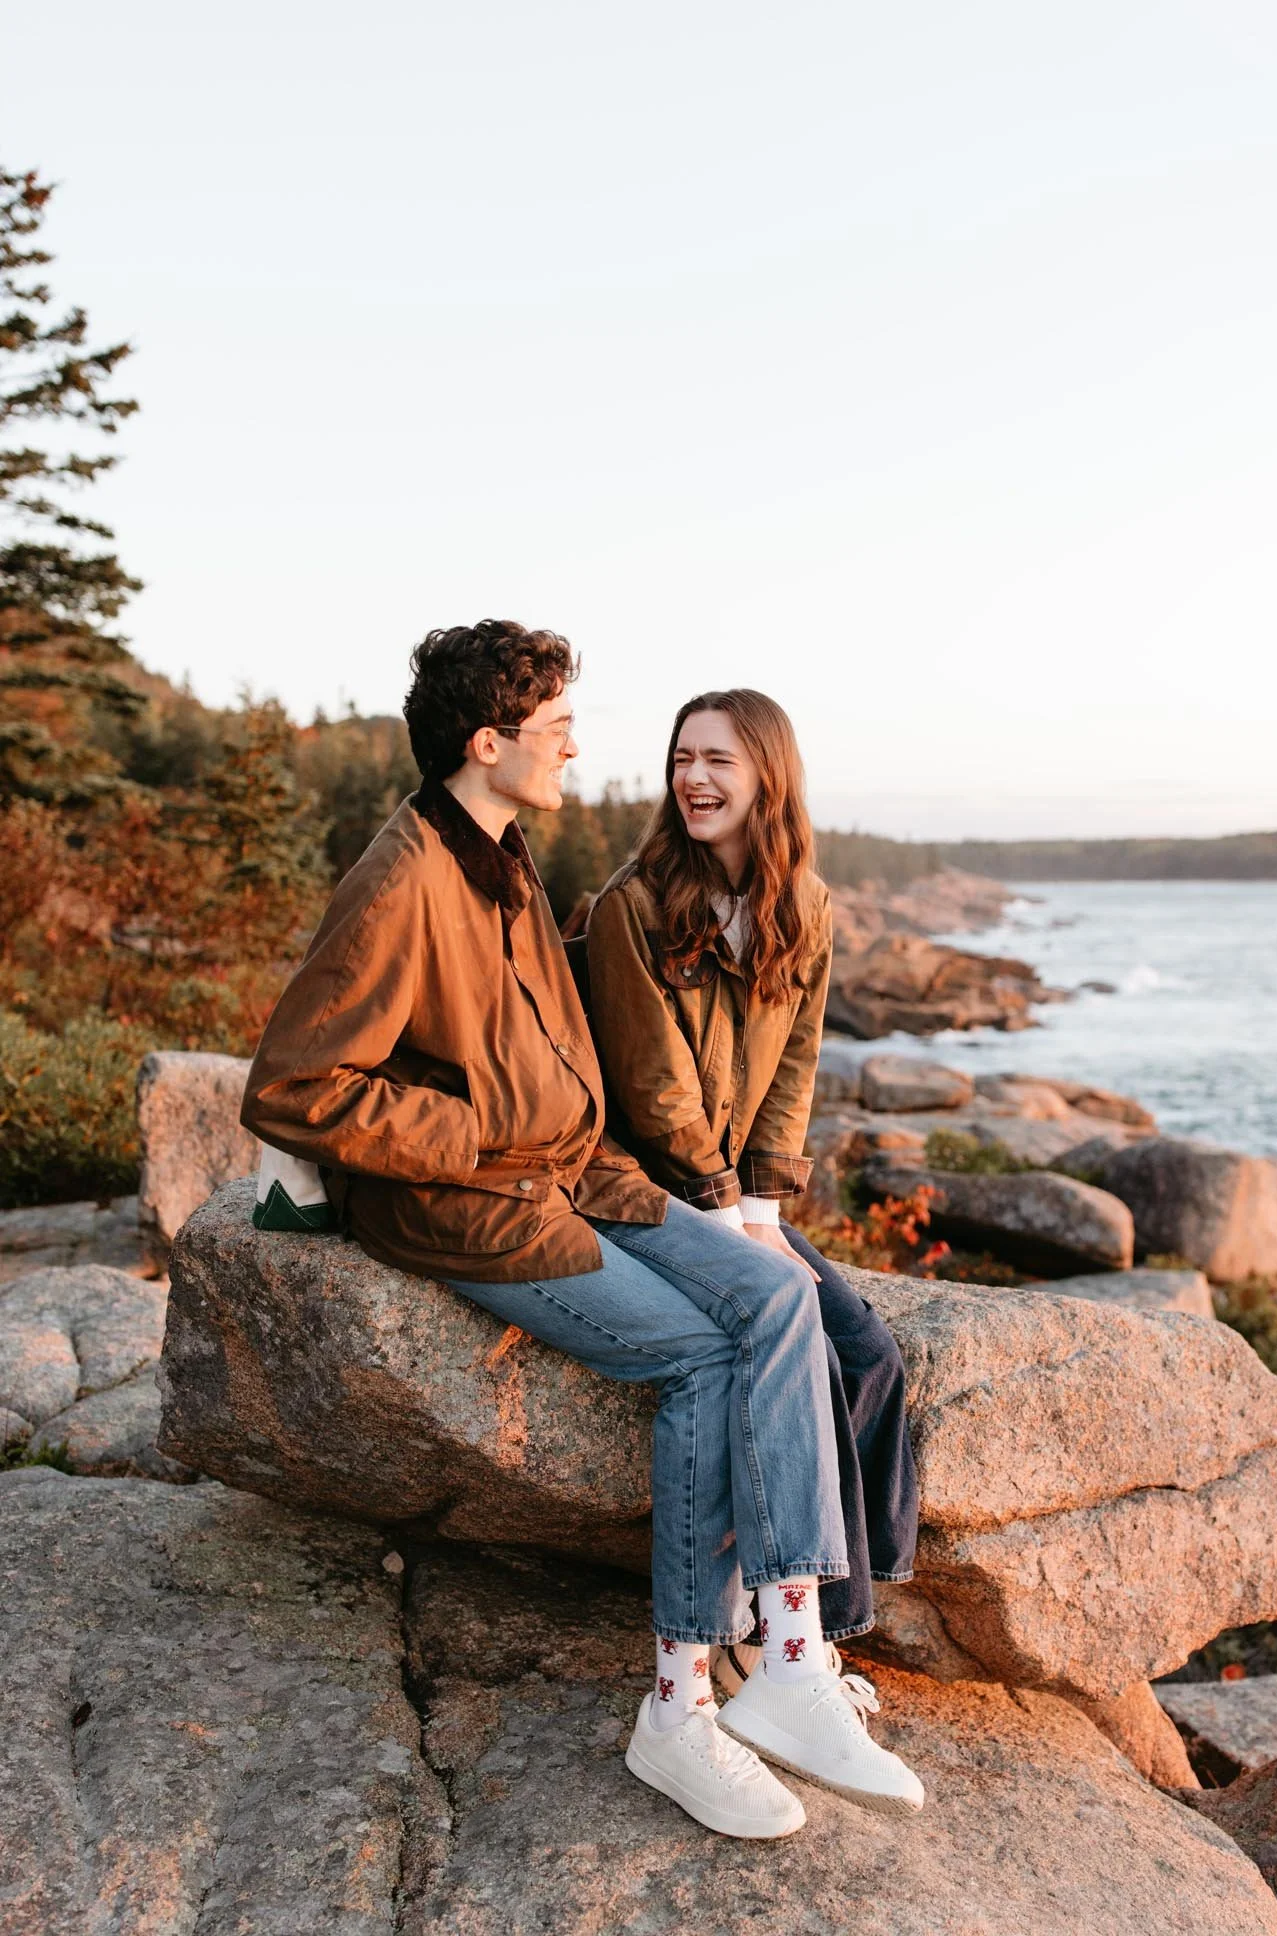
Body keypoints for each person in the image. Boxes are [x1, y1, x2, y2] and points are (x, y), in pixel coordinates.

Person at [240, 622, 923, 1841]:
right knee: (704, 1355)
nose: (572, 745)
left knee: (781, 1296)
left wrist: (718, 1190)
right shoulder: (402, 877)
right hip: (480, 1206)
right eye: (554, 725)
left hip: (581, 1172)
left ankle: (790, 1658)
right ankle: (675, 1706)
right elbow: (293, 1085)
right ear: (485, 741)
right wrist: (474, 1126)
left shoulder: (507, 858)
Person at [584, 688, 920, 1700]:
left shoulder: (804, 907)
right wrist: (731, 1215)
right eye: (682, 758)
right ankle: (785, 1644)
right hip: (650, 1185)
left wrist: (766, 1214)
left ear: (768, 774)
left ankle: (833, 1621)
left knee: (869, 1353)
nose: (693, 778)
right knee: (796, 1347)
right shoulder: (633, 906)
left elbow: (794, 1069)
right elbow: (654, 1086)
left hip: (736, 1194)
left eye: (718, 760)